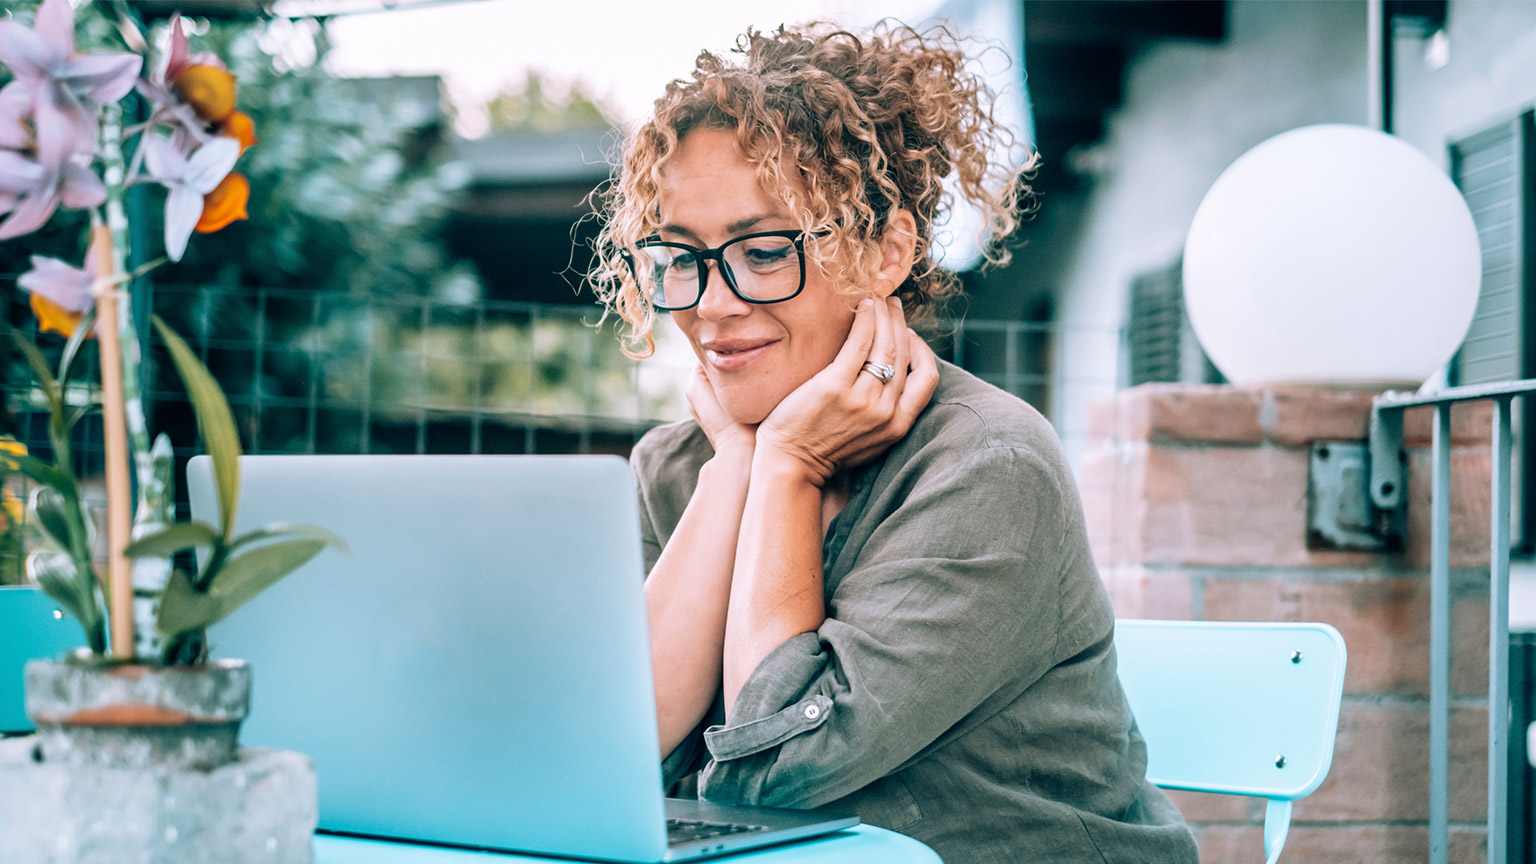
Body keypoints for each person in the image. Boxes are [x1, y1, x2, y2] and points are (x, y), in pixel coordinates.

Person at [589, 22, 1199, 864]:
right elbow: (606, 754)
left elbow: (775, 770)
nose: (712, 304)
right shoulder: (679, 466)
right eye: (681, 258)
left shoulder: (987, 467)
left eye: (764, 252)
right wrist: (742, 463)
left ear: (884, 254)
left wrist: (792, 465)